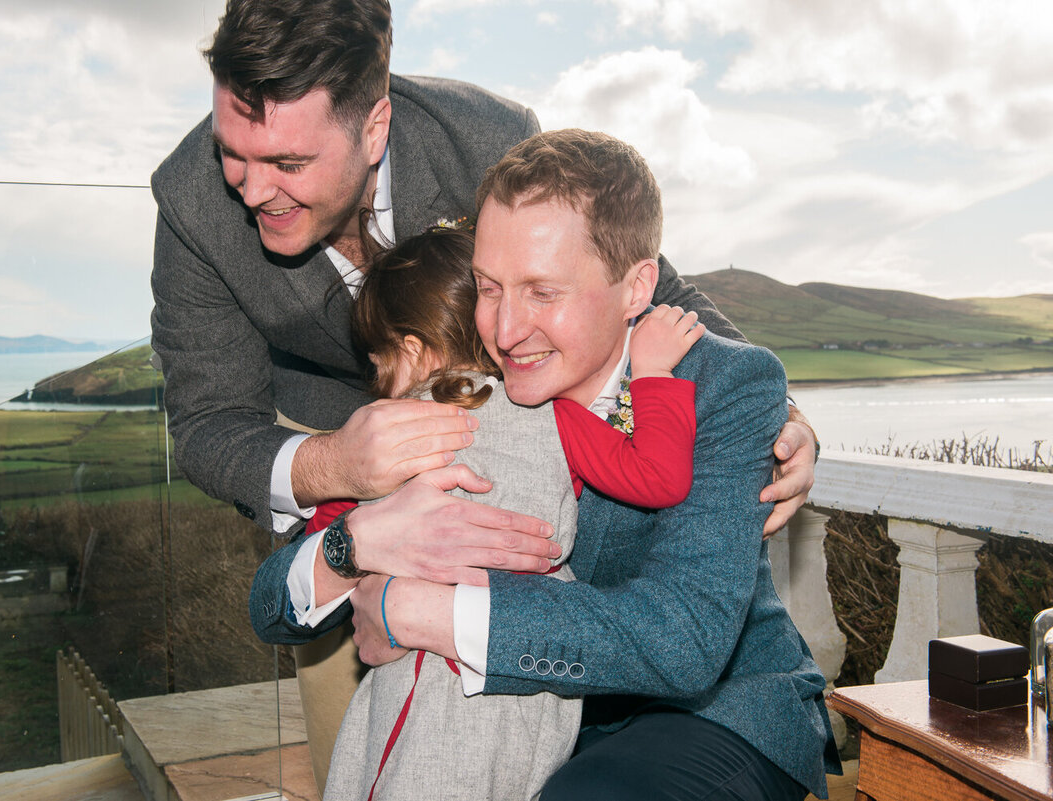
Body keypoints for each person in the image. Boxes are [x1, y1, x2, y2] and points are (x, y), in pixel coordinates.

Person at [151, 0, 819, 784]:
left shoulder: (484, 138)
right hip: (345, 462)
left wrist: (773, 413)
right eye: (235, 152)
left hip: (671, 702)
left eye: (289, 164)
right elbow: (207, 423)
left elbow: (636, 272)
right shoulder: (195, 202)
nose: (251, 187)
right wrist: (344, 491)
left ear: (373, 128)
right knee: (373, 757)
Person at [250, 129, 840, 800]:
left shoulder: (724, 382)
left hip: (714, 717)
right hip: (529, 727)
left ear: (635, 286)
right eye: (488, 288)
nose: (503, 332)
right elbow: (271, 607)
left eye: (542, 293)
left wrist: (427, 612)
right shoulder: (464, 395)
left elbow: (684, 639)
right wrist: (352, 544)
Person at [284, 224, 699, 800]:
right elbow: (658, 478)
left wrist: (355, 549)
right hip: (524, 681)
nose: (377, 386)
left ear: (410, 350)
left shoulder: (388, 434)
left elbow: (331, 529)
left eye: (377, 365)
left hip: (414, 686)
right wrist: (653, 375)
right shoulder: (554, 416)